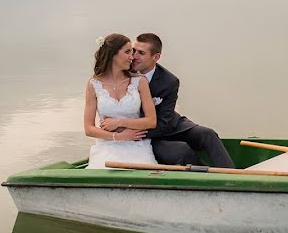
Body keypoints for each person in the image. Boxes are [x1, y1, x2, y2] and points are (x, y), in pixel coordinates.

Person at [128, 32, 235, 168]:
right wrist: (130, 133)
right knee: (182, 150)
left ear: (156, 57)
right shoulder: (123, 73)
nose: (134, 57)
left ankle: (233, 176)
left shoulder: (169, 81)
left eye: (141, 53)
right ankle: (211, 176)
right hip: (147, 136)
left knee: (208, 134)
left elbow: (164, 123)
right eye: (133, 51)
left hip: (168, 124)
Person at [84, 33, 158, 169]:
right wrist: (117, 137)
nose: (132, 57)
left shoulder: (140, 81)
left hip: (137, 144)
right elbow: (88, 129)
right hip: (107, 145)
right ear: (113, 54)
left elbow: (151, 121)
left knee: (143, 172)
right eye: (128, 52)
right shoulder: (93, 84)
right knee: (103, 171)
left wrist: (120, 123)